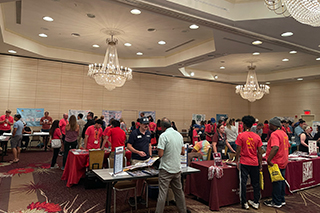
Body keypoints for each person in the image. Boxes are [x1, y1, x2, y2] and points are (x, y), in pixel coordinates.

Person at [156, 117, 186, 213]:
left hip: (166, 169)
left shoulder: (163, 136)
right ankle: (183, 211)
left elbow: (160, 154)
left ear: (162, 127)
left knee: (162, 194)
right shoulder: (179, 135)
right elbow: (182, 152)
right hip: (177, 168)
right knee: (179, 193)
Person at [235, 115, 263, 210]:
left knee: (243, 183)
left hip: (244, 162)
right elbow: (260, 152)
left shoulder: (241, 135)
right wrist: (260, 164)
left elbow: (238, 150)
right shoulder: (257, 137)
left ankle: (244, 203)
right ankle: (256, 202)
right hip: (255, 163)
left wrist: (236, 161)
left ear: (244, 124)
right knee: (256, 183)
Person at [264, 117, 290, 208]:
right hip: (283, 160)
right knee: (281, 181)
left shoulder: (274, 134)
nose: (268, 126)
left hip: (276, 162)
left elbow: (275, 147)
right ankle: (281, 199)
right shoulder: (284, 133)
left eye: (270, 124)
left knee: (276, 182)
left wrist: (268, 159)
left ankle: (276, 202)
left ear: (273, 125)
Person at [127, 117, 151, 206]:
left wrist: (150, 155)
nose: (146, 125)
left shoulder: (148, 133)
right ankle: (131, 197)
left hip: (146, 160)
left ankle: (139, 196)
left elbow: (149, 144)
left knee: (142, 179)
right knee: (134, 179)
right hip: (136, 159)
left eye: (147, 124)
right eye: (144, 124)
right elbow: (128, 145)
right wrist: (137, 152)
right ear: (140, 124)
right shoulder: (134, 133)